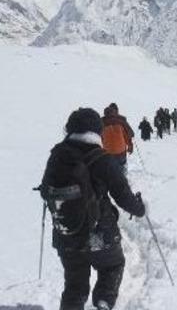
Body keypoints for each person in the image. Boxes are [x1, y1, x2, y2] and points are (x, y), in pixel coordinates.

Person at [40, 108, 146, 310]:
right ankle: (104, 302)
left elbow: (46, 191)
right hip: (100, 233)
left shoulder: (57, 156)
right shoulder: (102, 159)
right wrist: (140, 209)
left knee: (74, 287)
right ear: (98, 131)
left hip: (66, 233)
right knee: (113, 266)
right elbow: (124, 197)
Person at [101, 103, 134, 174]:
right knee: (122, 166)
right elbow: (129, 135)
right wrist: (130, 146)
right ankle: (122, 176)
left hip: (107, 152)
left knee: (110, 169)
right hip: (121, 152)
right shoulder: (121, 121)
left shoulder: (101, 122)